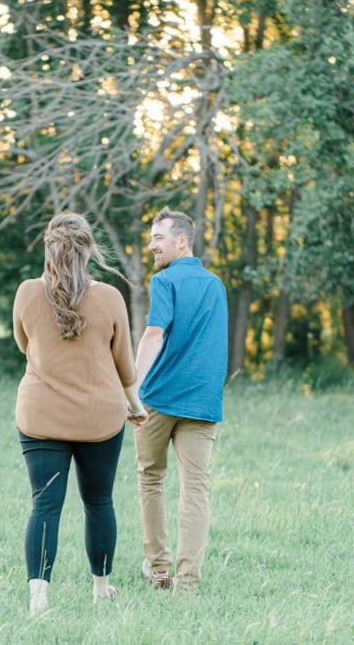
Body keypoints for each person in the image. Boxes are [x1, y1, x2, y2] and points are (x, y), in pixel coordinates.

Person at [13, 212, 148, 616]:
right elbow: (124, 364)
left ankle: (38, 600)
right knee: (99, 501)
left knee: (44, 505)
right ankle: (100, 589)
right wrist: (136, 408)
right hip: (99, 419)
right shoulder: (109, 297)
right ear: (89, 250)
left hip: (41, 417)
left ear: (48, 248)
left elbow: (24, 345)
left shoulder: (27, 292)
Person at [132, 207, 228, 594]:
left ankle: (160, 572)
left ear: (181, 240)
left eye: (158, 237)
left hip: (159, 399)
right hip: (203, 402)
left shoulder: (165, 280)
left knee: (151, 478)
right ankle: (187, 584)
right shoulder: (215, 285)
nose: (151, 244)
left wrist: (133, 389)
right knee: (195, 490)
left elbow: (154, 334)